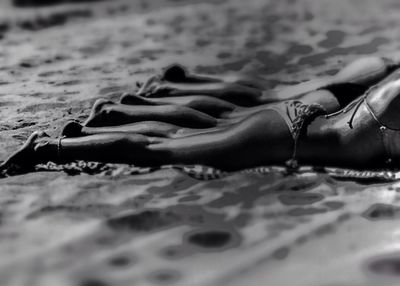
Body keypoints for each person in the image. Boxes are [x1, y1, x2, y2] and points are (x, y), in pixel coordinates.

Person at [2, 56, 400, 172]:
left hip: (302, 120)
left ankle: (107, 119)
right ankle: (50, 147)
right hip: (289, 138)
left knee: (192, 132)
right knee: (164, 148)